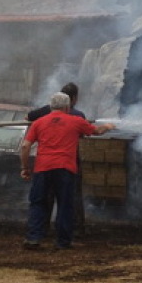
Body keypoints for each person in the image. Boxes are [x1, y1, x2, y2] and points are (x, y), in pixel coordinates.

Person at [19, 92, 113, 250]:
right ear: (67, 107)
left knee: (38, 202)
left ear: (51, 106)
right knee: (65, 204)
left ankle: (34, 237)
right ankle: (63, 241)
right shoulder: (76, 121)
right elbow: (96, 131)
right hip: (65, 168)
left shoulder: (39, 122)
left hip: (42, 168)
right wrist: (108, 126)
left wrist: (25, 167)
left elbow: (25, 146)